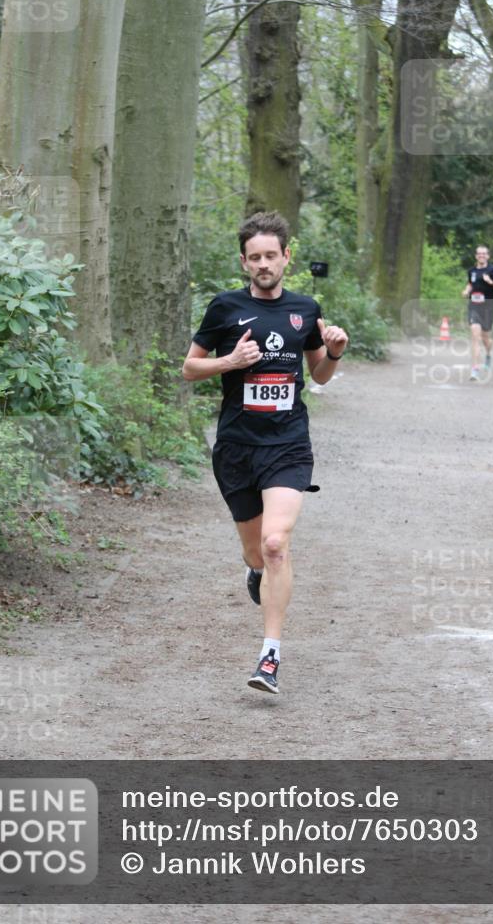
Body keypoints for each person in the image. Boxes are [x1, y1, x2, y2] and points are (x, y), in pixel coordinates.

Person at [182, 211, 348, 694]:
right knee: (256, 551)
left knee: (277, 544)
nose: (263, 264)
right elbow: (189, 368)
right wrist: (230, 362)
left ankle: (269, 656)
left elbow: (318, 375)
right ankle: (253, 570)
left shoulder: (305, 309)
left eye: (270, 256)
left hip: (287, 444)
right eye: (254, 257)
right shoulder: (224, 308)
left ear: (286, 257)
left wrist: (335, 350)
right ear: (244, 262)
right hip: (236, 446)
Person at [461, 245, 493, 380]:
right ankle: (474, 369)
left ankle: (488, 354)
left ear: (488, 256)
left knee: (485, 338)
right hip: (474, 307)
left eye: (484, 254)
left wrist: (492, 282)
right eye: (479, 254)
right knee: (475, 336)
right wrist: (466, 291)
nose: (481, 256)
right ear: (476, 256)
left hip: (487, 308)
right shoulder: (472, 271)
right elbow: (470, 283)